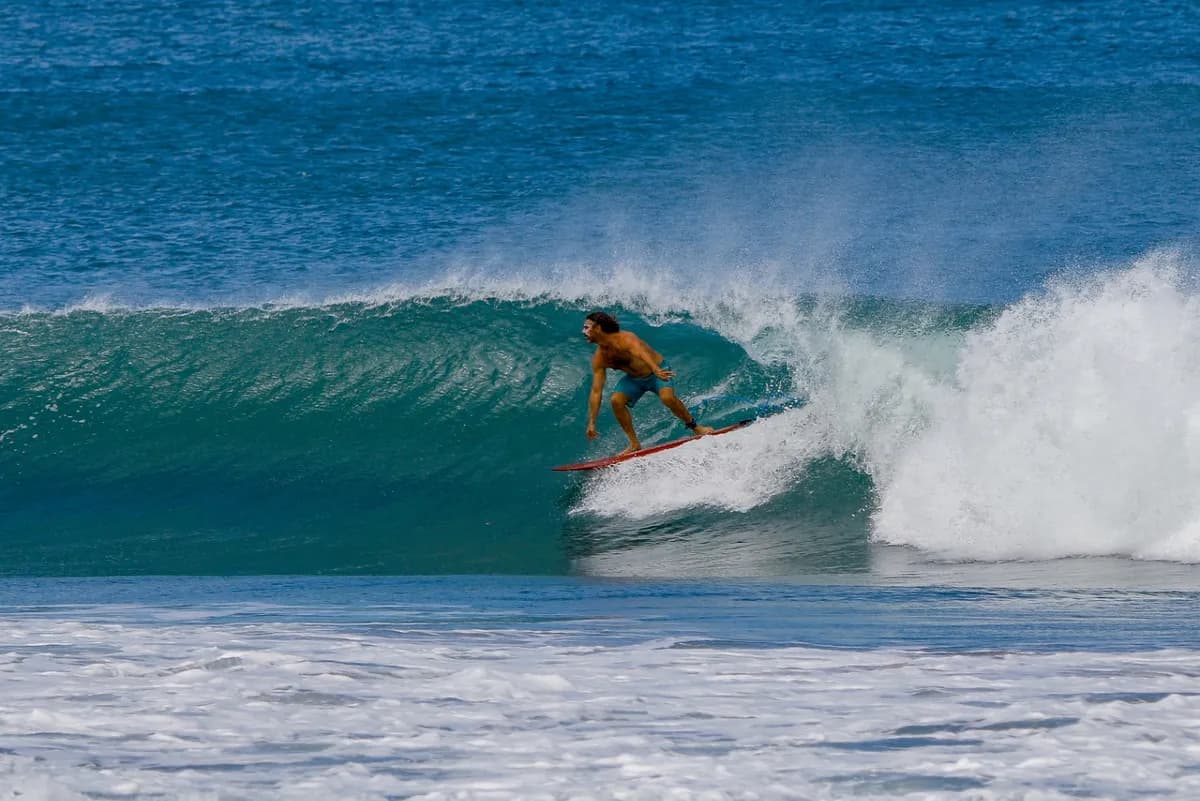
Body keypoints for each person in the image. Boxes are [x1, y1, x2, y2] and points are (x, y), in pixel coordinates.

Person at [582, 311, 713, 454]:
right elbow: (596, 391)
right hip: (634, 379)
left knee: (667, 398)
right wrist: (592, 422)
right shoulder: (600, 358)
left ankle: (696, 428)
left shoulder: (626, 338)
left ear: (599, 328)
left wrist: (656, 369)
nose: (583, 331)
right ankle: (634, 444)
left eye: (587, 327)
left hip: (657, 371)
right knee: (616, 400)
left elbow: (640, 353)